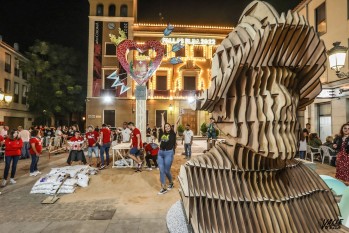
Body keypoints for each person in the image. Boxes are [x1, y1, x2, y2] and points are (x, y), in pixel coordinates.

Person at [157, 123, 176, 195]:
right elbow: (162, 125)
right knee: (161, 170)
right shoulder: (163, 133)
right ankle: (163, 187)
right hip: (160, 153)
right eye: (165, 127)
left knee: (166, 170)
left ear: (170, 127)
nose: (167, 127)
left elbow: (176, 123)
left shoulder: (173, 134)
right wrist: (162, 116)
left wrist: (179, 117)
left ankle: (171, 182)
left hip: (168, 153)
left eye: (168, 126)